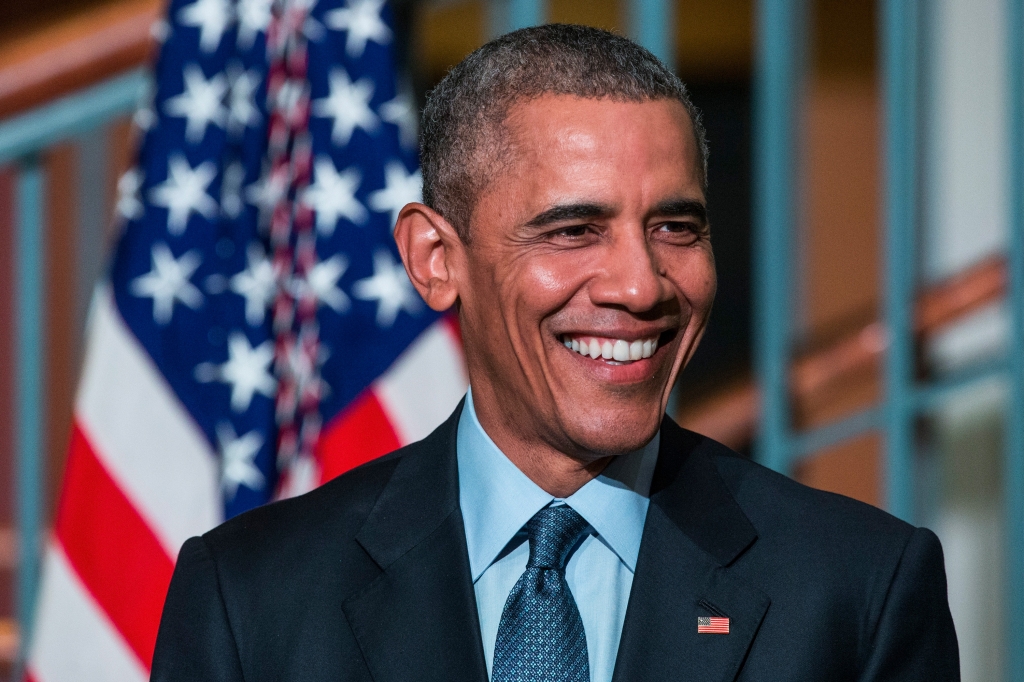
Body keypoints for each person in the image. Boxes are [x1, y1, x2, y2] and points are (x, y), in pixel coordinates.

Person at [151, 24, 959, 682]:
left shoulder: (860, 590)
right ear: (435, 258)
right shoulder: (249, 600)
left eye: (676, 227)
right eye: (574, 230)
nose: (643, 286)